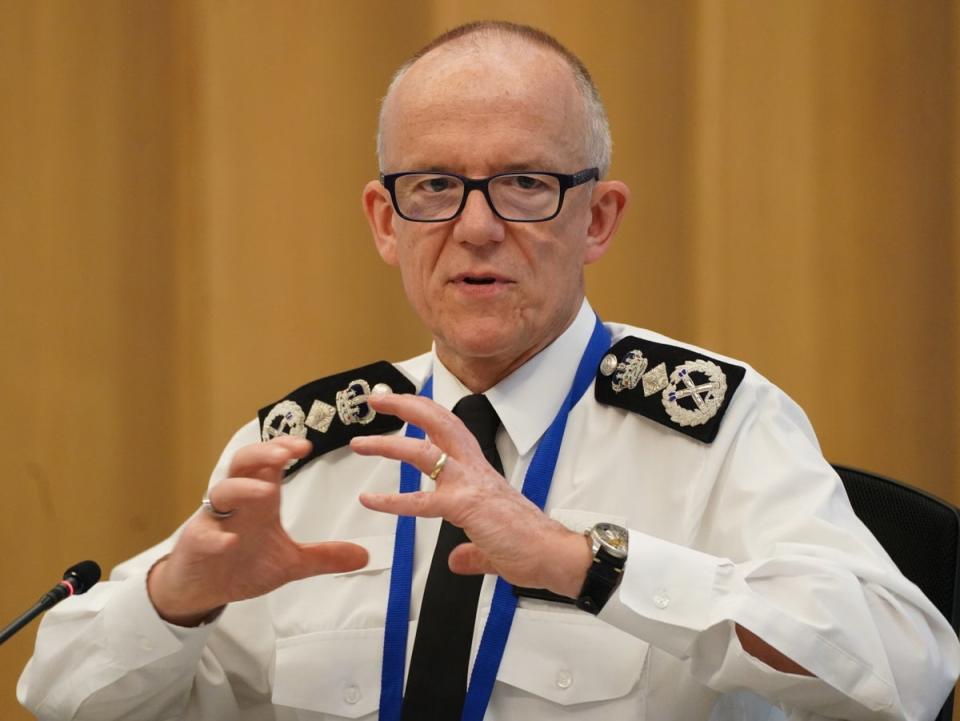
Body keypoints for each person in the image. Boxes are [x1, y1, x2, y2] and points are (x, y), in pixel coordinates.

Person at [18, 20, 960, 721]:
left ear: (598, 218)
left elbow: (911, 666)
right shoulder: (305, 448)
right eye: (434, 186)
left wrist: (582, 562)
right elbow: (57, 693)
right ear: (386, 223)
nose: (475, 227)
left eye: (524, 183)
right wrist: (175, 600)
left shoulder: (717, 426)